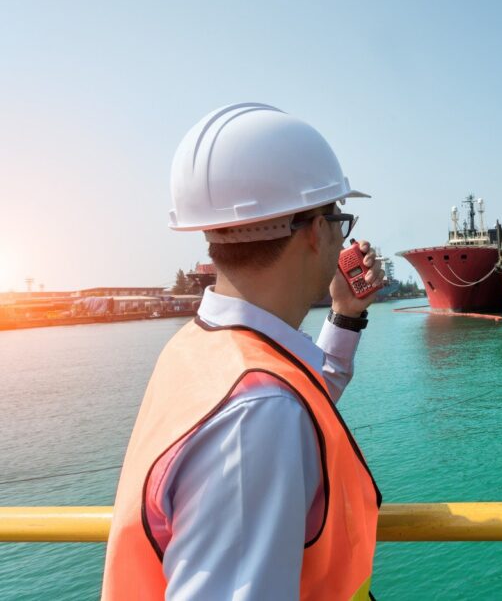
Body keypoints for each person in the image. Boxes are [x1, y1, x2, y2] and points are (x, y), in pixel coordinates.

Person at [102, 103, 382, 600]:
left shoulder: (199, 347)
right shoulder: (257, 415)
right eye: (340, 217)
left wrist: (346, 316)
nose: (345, 234)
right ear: (317, 233)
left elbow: (297, 397)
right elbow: (267, 415)